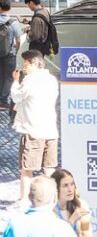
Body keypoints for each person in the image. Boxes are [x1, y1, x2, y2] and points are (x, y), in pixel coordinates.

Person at [11, 50, 59, 206]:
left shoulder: (30, 80)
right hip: (50, 130)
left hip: (32, 129)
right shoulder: (51, 79)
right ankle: (52, 199)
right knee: (49, 167)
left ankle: (24, 199)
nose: (24, 66)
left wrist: (16, 81)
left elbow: (17, 96)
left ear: (33, 63)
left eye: (26, 63)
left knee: (27, 168)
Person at [0, 0, 21, 108]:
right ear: (10, 8)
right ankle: (3, 100)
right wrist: (16, 51)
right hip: (9, 54)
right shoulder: (13, 22)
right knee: (8, 77)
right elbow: (18, 40)